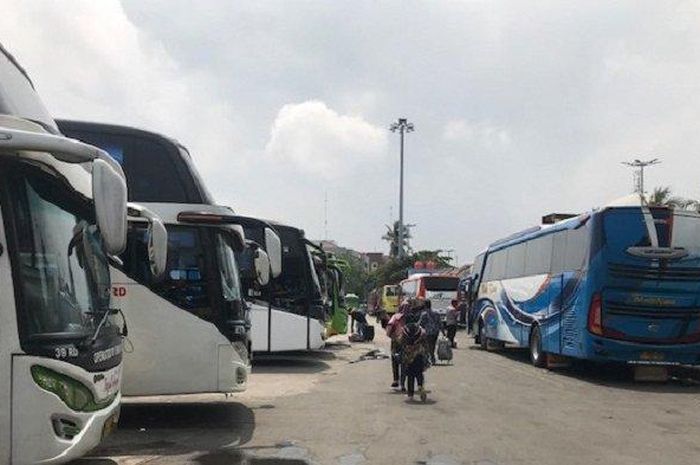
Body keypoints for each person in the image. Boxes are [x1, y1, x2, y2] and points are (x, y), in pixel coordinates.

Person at [401, 322, 428, 401]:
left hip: (409, 355)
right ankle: (420, 385)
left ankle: (410, 395)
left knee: (410, 375)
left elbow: (401, 341)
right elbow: (425, 343)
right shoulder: (420, 330)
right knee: (419, 372)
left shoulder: (404, 330)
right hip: (418, 354)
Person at [418, 299, 441, 365]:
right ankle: (432, 358)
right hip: (435, 332)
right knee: (433, 345)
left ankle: (428, 359)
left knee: (427, 346)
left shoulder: (424, 314)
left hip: (428, 332)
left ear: (425, 305)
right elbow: (440, 323)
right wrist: (443, 332)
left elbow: (420, 323)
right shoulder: (436, 313)